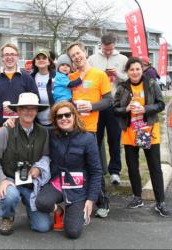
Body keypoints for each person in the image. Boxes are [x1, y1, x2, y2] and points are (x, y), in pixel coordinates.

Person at [114, 57, 171, 217]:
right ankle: (137, 197)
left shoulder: (151, 84)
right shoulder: (123, 87)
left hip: (148, 129)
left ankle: (160, 202)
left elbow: (160, 104)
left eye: (138, 69)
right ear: (127, 71)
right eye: (131, 69)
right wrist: (126, 109)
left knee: (154, 167)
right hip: (130, 131)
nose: (135, 72)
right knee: (132, 166)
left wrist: (145, 109)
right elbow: (115, 108)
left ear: (142, 70)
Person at [0, 92, 51, 236]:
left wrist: (38, 168)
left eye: (32, 108)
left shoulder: (44, 133)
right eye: (24, 108)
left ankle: (31, 210)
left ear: (37, 111)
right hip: (10, 179)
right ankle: (7, 216)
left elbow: (47, 156)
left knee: (43, 227)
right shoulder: (5, 130)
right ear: (18, 110)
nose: (29, 111)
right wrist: (2, 180)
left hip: (31, 182)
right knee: (10, 195)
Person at [35, 101, 102, 239]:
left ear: (74, 115)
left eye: (67, 115)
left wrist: (91, 199)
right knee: (41, 202)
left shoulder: (88, 138)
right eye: (59, 116)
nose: (64, 118)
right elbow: (32, 126)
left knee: (73, 232)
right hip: (57, 182)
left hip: (78, 187)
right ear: (55, 120)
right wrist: (12, 121)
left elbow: (96, 172)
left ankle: (74, 211)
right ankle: (59, 210)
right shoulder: (51, 134)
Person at [0, 43, 39, 205]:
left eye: (12, 54)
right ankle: (2, 189)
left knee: (18, 158)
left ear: (17, 57)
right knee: (0, 159)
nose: (9, 57)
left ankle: (21, 190)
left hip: (20, 125)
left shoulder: (26, 77)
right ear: (2, 58)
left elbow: (34, 99)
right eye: (6, 54)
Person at [66, 41, 113, 218]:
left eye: (78, 53)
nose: (77, 57)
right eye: (73, 56)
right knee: (78, 165)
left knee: (95, 166)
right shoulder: (71, 77)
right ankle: (81, 199)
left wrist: (91, 106)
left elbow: (109, 101)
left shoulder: (99, 75)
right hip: (74, 128)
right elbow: (66, 100)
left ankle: (103, 201)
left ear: (85, 52)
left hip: (92, 129)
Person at [88, 33, 128, 185]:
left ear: (115, 45)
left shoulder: (122, 59)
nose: (108, 52)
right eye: (105, 50)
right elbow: (88, 79)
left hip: (114, 104)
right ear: (101, 45)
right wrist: (100, 77)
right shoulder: (92, 59)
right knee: (94, 139)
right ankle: (95, 170)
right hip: (97, 104)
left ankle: (115, 171)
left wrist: (116, 74)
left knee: (114, 138)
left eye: (110, 49)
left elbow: (128, 79)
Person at [30, 48, 56, 128]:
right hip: (36, 123)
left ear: (49, 61)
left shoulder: (57, 77)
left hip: (55, 122)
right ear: (35, 62)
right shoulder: (30, 78)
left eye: (44, 58)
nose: (41, 60)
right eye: (38, 58)